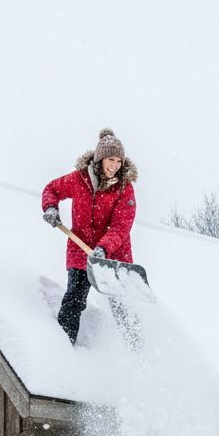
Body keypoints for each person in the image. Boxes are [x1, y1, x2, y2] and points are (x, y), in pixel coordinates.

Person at [42, 128, 138, 344]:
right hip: (80, 250)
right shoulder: (79, 180)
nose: (114, 166)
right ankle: (64, 348)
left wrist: (104, 248)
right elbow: (52, 189)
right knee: (74, 300)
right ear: (100, 159)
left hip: (113, 256)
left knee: (122, 308)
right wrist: (51, 208)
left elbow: (121, 226)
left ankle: (136, 351)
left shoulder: (124, 188)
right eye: (110, 159)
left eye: (118, 161)